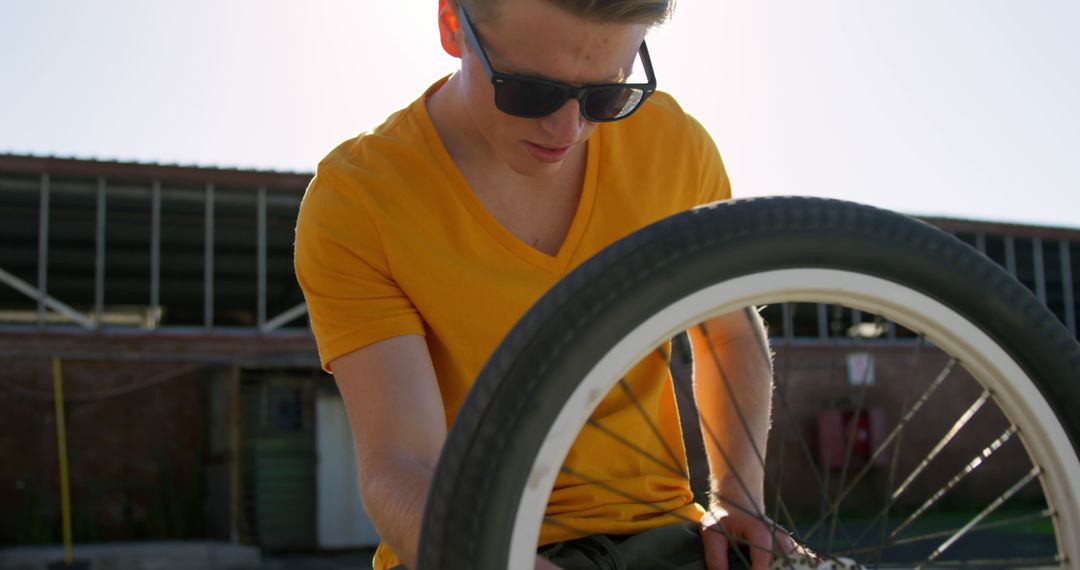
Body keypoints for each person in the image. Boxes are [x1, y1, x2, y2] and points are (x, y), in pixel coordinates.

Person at [294, 0, 796, 568]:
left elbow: (729, 332)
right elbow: (400, 466)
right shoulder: (360, 201)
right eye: (530, 92)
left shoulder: (675, 147)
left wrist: (738, 499)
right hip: (470, 543)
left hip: (658, 534)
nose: (569, 128)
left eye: (606, 94)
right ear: (453, 26)